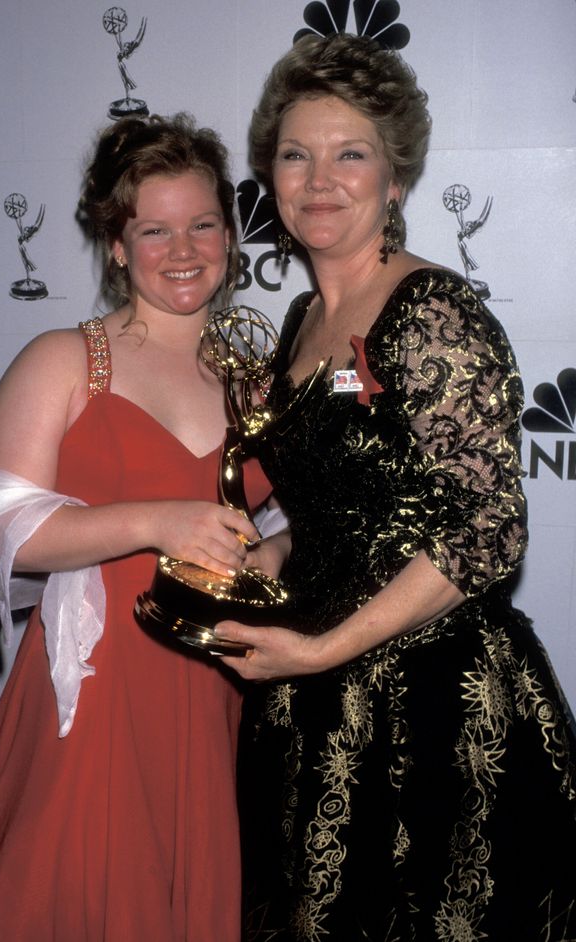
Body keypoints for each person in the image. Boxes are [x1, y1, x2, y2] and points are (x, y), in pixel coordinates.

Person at [214, 33, 576, 940]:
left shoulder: (436, 312)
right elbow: (361, 501)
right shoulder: (300, 319)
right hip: (310, 693)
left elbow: (486, 533)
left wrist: (322, 649)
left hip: (432, 709)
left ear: (396, 180)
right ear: (270, 177)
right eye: (296, 155)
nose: (320, 179)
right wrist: (276, 548)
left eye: (351, 154)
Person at [0, 112, 271, 942]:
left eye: (203, 224)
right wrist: (156, 521)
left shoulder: (253, 376)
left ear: (230, 233)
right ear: (115, 244)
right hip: (101, 686)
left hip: (214, 683)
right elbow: (6, 532)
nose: (184, 250)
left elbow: (274, 519)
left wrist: (268, 550)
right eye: (154, 229)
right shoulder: (65, 360)